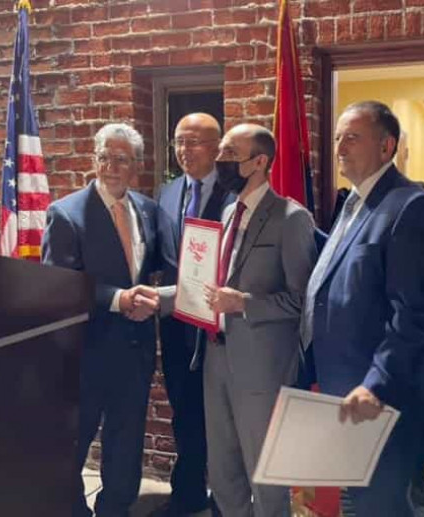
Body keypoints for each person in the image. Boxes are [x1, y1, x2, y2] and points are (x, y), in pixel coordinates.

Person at [163, 123, 316, 517]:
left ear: (260, 162)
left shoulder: (291, 218)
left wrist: (244, 303)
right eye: (221, 153)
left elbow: (303, 302)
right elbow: (209, 282)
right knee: (223, 470)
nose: (221, 161)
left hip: (262, 366)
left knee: (265, 477)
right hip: (215, 358)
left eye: (230, 154)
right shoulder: (230, 212)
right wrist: (163, 297)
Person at [301, 101, 424, 516]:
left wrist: (376, 384)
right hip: (341, 385)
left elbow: (414, 316)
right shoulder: (354, 201)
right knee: (357, 499)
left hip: (379, 396)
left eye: (352, 137)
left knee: (380, 504)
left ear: (387, 147)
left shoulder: (410, 206)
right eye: (338, 138)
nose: (339, 148)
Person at [41, 123, 177, 517]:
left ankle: (115, 508)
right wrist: (119, 299)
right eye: (104, 157)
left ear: (137, 165)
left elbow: (157, 267)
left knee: (126, 441)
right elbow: (60, 283)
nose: (111, 167)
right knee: (73, 442)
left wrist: (158, 298)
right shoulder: (66, 214)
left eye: (121, 159)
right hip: (86, 348)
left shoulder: (148, 210)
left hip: (135, 348)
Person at [156, 113, 234, 516]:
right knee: (184, 413)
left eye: (195, 142)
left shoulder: (236, 191)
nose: (185, 150)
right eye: (179, 142)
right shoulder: (167, 193)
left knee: (221, 418)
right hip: (176, 325)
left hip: (222, 326)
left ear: (217, 147)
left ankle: (224, 501)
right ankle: (186, 494)